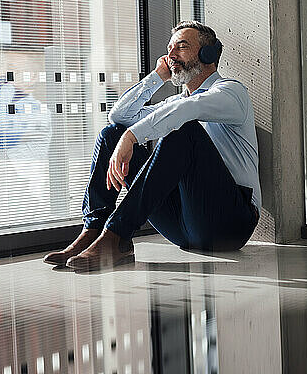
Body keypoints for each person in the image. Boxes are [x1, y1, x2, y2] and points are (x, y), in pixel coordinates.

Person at [44, 20, 261, 270]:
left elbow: (188, 109)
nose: (171, 56)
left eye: (181, 47)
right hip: (182, 227)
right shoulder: (176, 100)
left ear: (208, 53)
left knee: (183, 130)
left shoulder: (231, 93)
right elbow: (119, 117)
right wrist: (156, 78)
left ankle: (116, 233)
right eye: (169, 49)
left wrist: (133, 137)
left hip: (231, 224)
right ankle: (96, 231)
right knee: (111, 134)